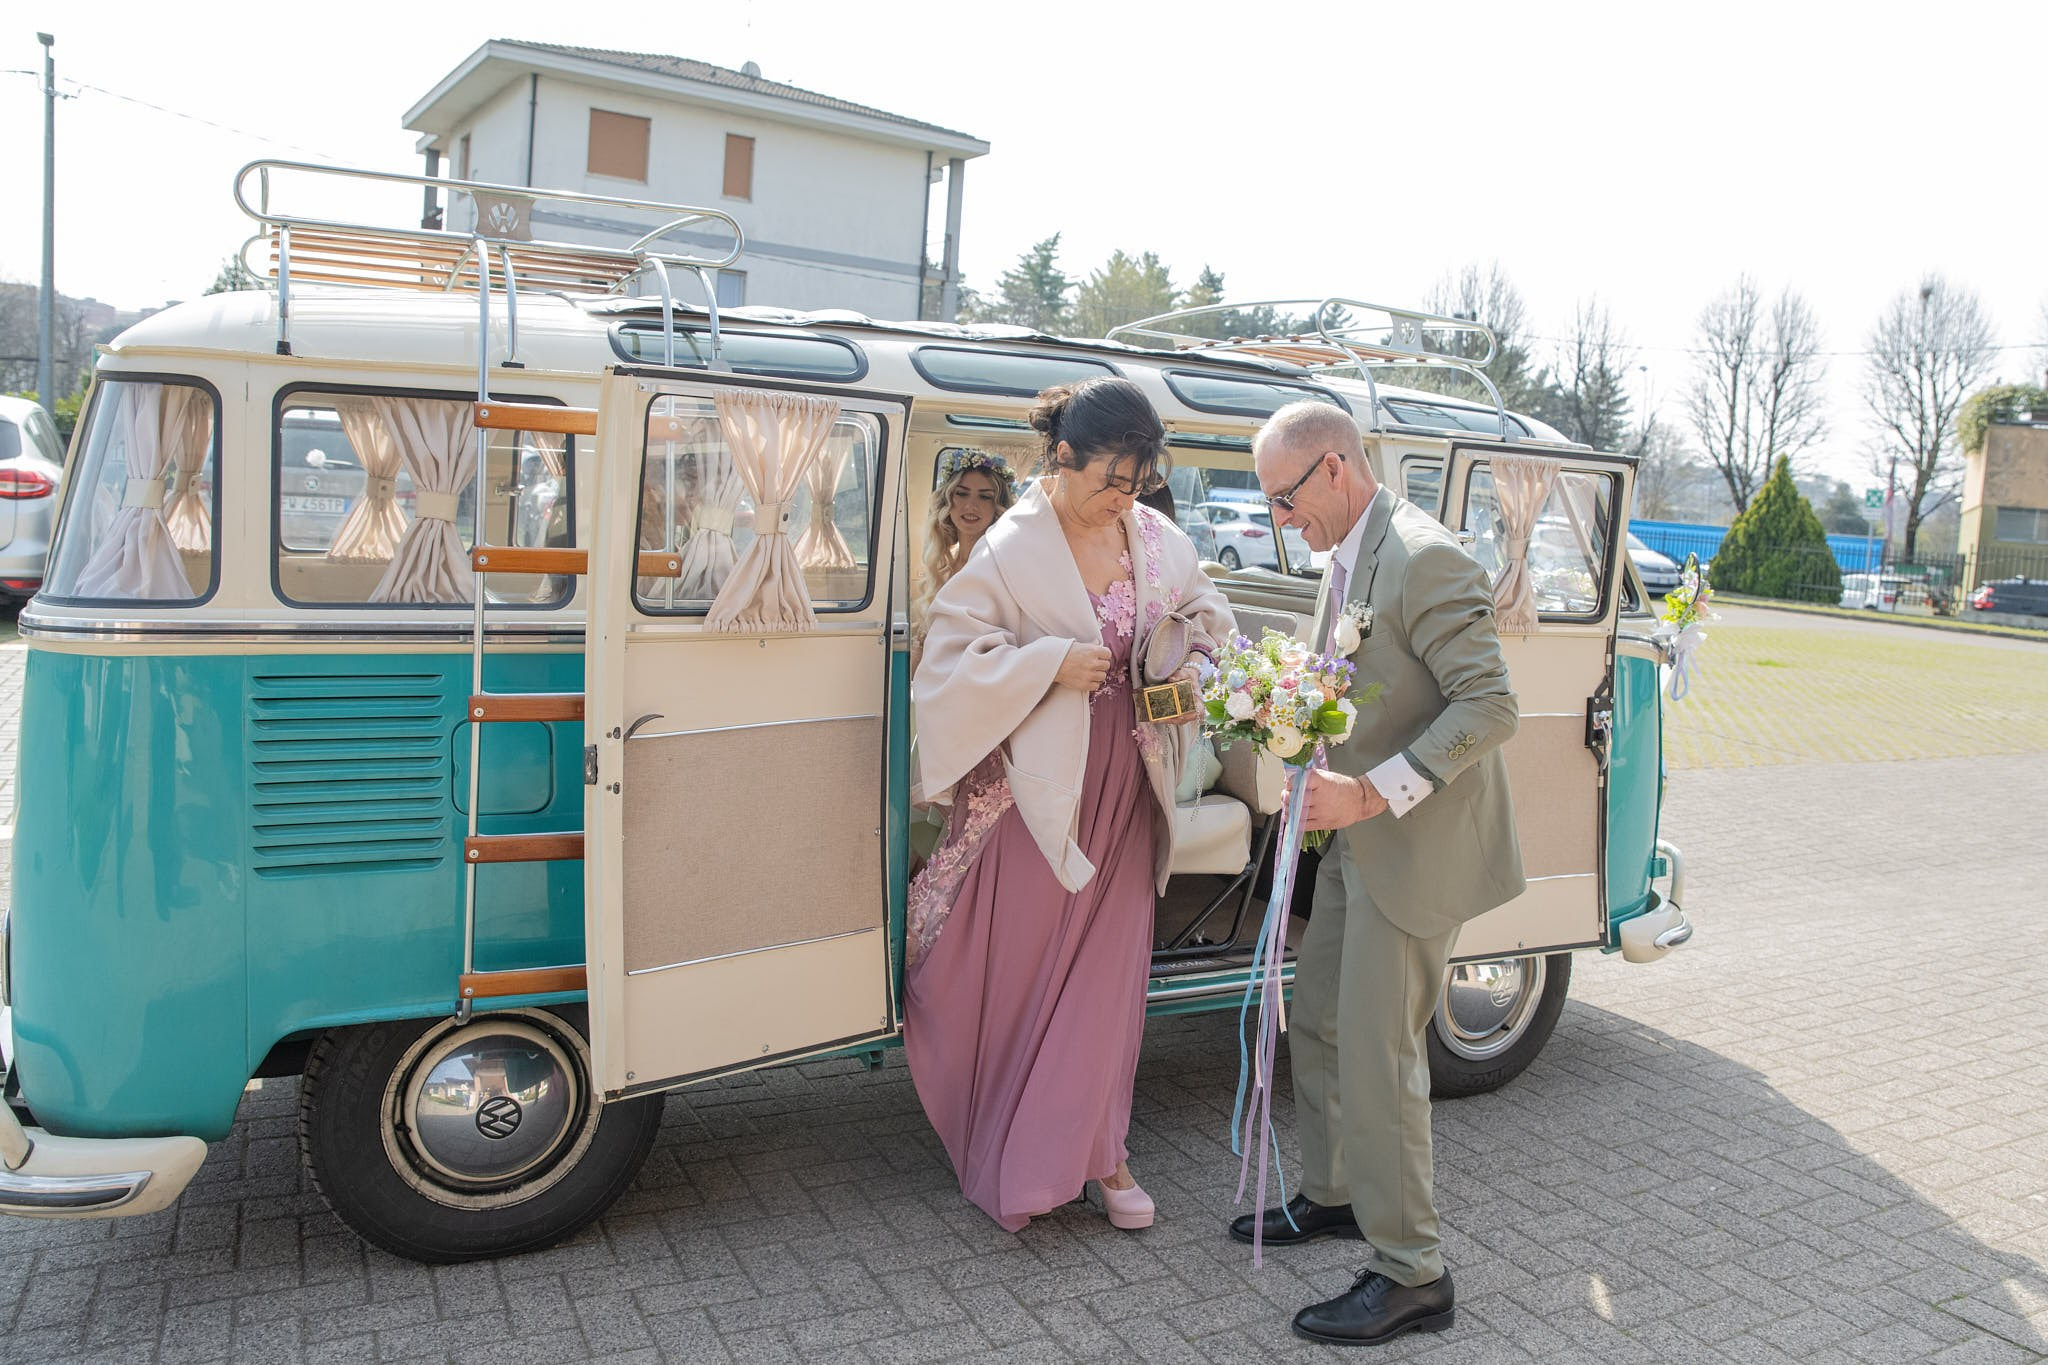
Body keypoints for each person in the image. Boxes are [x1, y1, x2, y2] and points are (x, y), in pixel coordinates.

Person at [906, 376, 1233, 1233]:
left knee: (1107, 973)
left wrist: (1194, 660)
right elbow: (945, 661)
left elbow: (1208, 614)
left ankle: (1104, 1151)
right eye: (1109, 479)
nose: (1124, 497)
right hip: (1034, 791)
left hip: (1126, 780)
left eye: (1136, 480)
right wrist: (1046, 662)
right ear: (1060, 459)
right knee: (1023, 963)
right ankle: (1014, 1132)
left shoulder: (1155, 536)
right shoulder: (1008, 549)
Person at [1232, 402, 1523, 1347]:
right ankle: (1337, 1194)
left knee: (1380, 1052)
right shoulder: (1348, 550)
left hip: (1413, 839)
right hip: (1360, 835)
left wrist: (1373, 793)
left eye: (1284, 498)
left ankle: (1413, 1272)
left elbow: (1491, 705)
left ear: (1334, 470)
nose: (1280, 519)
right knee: (1315, 1015)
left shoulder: (1426, 556)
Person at [910, 448, 1017, 672]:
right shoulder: (945, 564)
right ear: (948, 501)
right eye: (962, 493)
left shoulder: (999, 566)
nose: (971, 506)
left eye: (985, 496)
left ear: (997, 508)